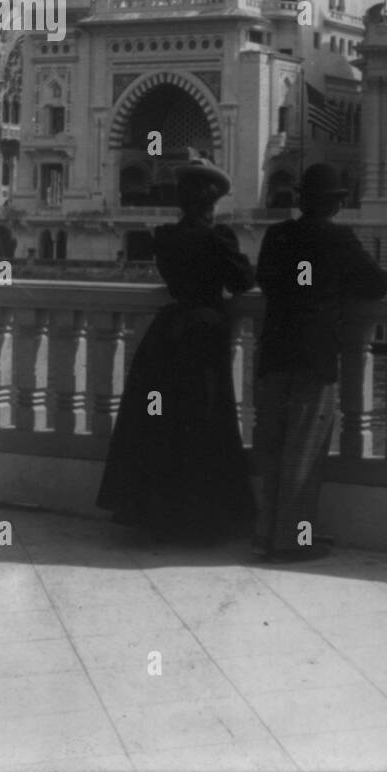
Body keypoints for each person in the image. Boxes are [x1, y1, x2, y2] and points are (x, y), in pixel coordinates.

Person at [96, 153, 255, 541]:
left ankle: (158, 514)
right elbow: (242, 281)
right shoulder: (218, 239)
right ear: (212, 202)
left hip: (168, 335)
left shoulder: (166, 238)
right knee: (203, 422)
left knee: (159, 423)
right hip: (203, 337)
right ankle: (198, 518)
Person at [254, 162, 387, 561]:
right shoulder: (338, 239)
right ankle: (292, 540)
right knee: (305, 449)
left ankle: (265, 534)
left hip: (275, 347)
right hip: (314, 352)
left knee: (272, 444)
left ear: (301, 200)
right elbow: (377, 284)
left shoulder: (277, 235)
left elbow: (265, 278)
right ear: (335, 204)